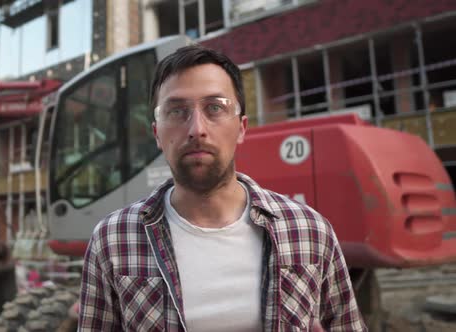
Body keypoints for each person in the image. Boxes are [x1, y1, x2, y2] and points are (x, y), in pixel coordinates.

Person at [78, 44, 366, 331]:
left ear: (241, 128)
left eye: (215, 108)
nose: (196, 129)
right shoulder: (112, 240)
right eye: (177, 111)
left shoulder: (310, 232)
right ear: (156, 133)